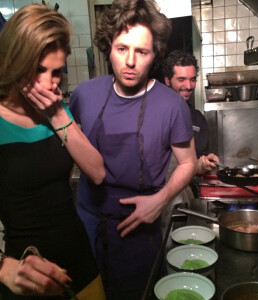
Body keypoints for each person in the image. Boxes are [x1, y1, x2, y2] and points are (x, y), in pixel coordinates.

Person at [69, 0, 197, 299]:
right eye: (121, 48)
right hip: (86, 226)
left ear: (154, 55)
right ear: (108, 47)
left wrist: (161, 200)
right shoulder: (85, 95)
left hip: (139, 231)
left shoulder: (172, 105)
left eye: (141, 51)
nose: (130, 61)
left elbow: (188, 163)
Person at [0, 4, 106, 299]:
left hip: (80, 262)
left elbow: (97, 172)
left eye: (56, 72)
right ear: (14, 63)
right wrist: (1, 267)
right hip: (27, 274)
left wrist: (57, 113)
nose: (48, 82)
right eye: (37, 70)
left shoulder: (58, 111)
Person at [162, 49, 219, 175]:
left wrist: (203, 164)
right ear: (167, 80)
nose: (188, 86)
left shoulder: (198, 120)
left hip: (182, 191)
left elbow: (195, 165)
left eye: (192, 79)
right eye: (181, 79)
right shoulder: (150, 112)